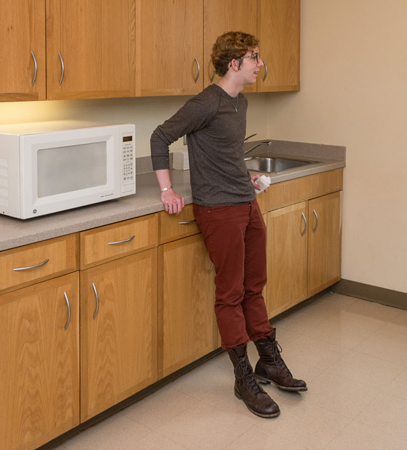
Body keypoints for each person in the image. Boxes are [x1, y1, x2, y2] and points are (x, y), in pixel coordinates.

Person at [150, 31, 306, 418]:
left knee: (255, 286)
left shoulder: (241, 102)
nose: (260, 63)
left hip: (246, 203)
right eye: (255, 57)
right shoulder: (205, 103)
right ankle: (242, 377)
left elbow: (228, 152)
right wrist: (167, 189)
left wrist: (248, 177)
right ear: (234, 63)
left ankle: (267, 360)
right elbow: (160, 136)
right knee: (231, 293)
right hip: (218, 210)